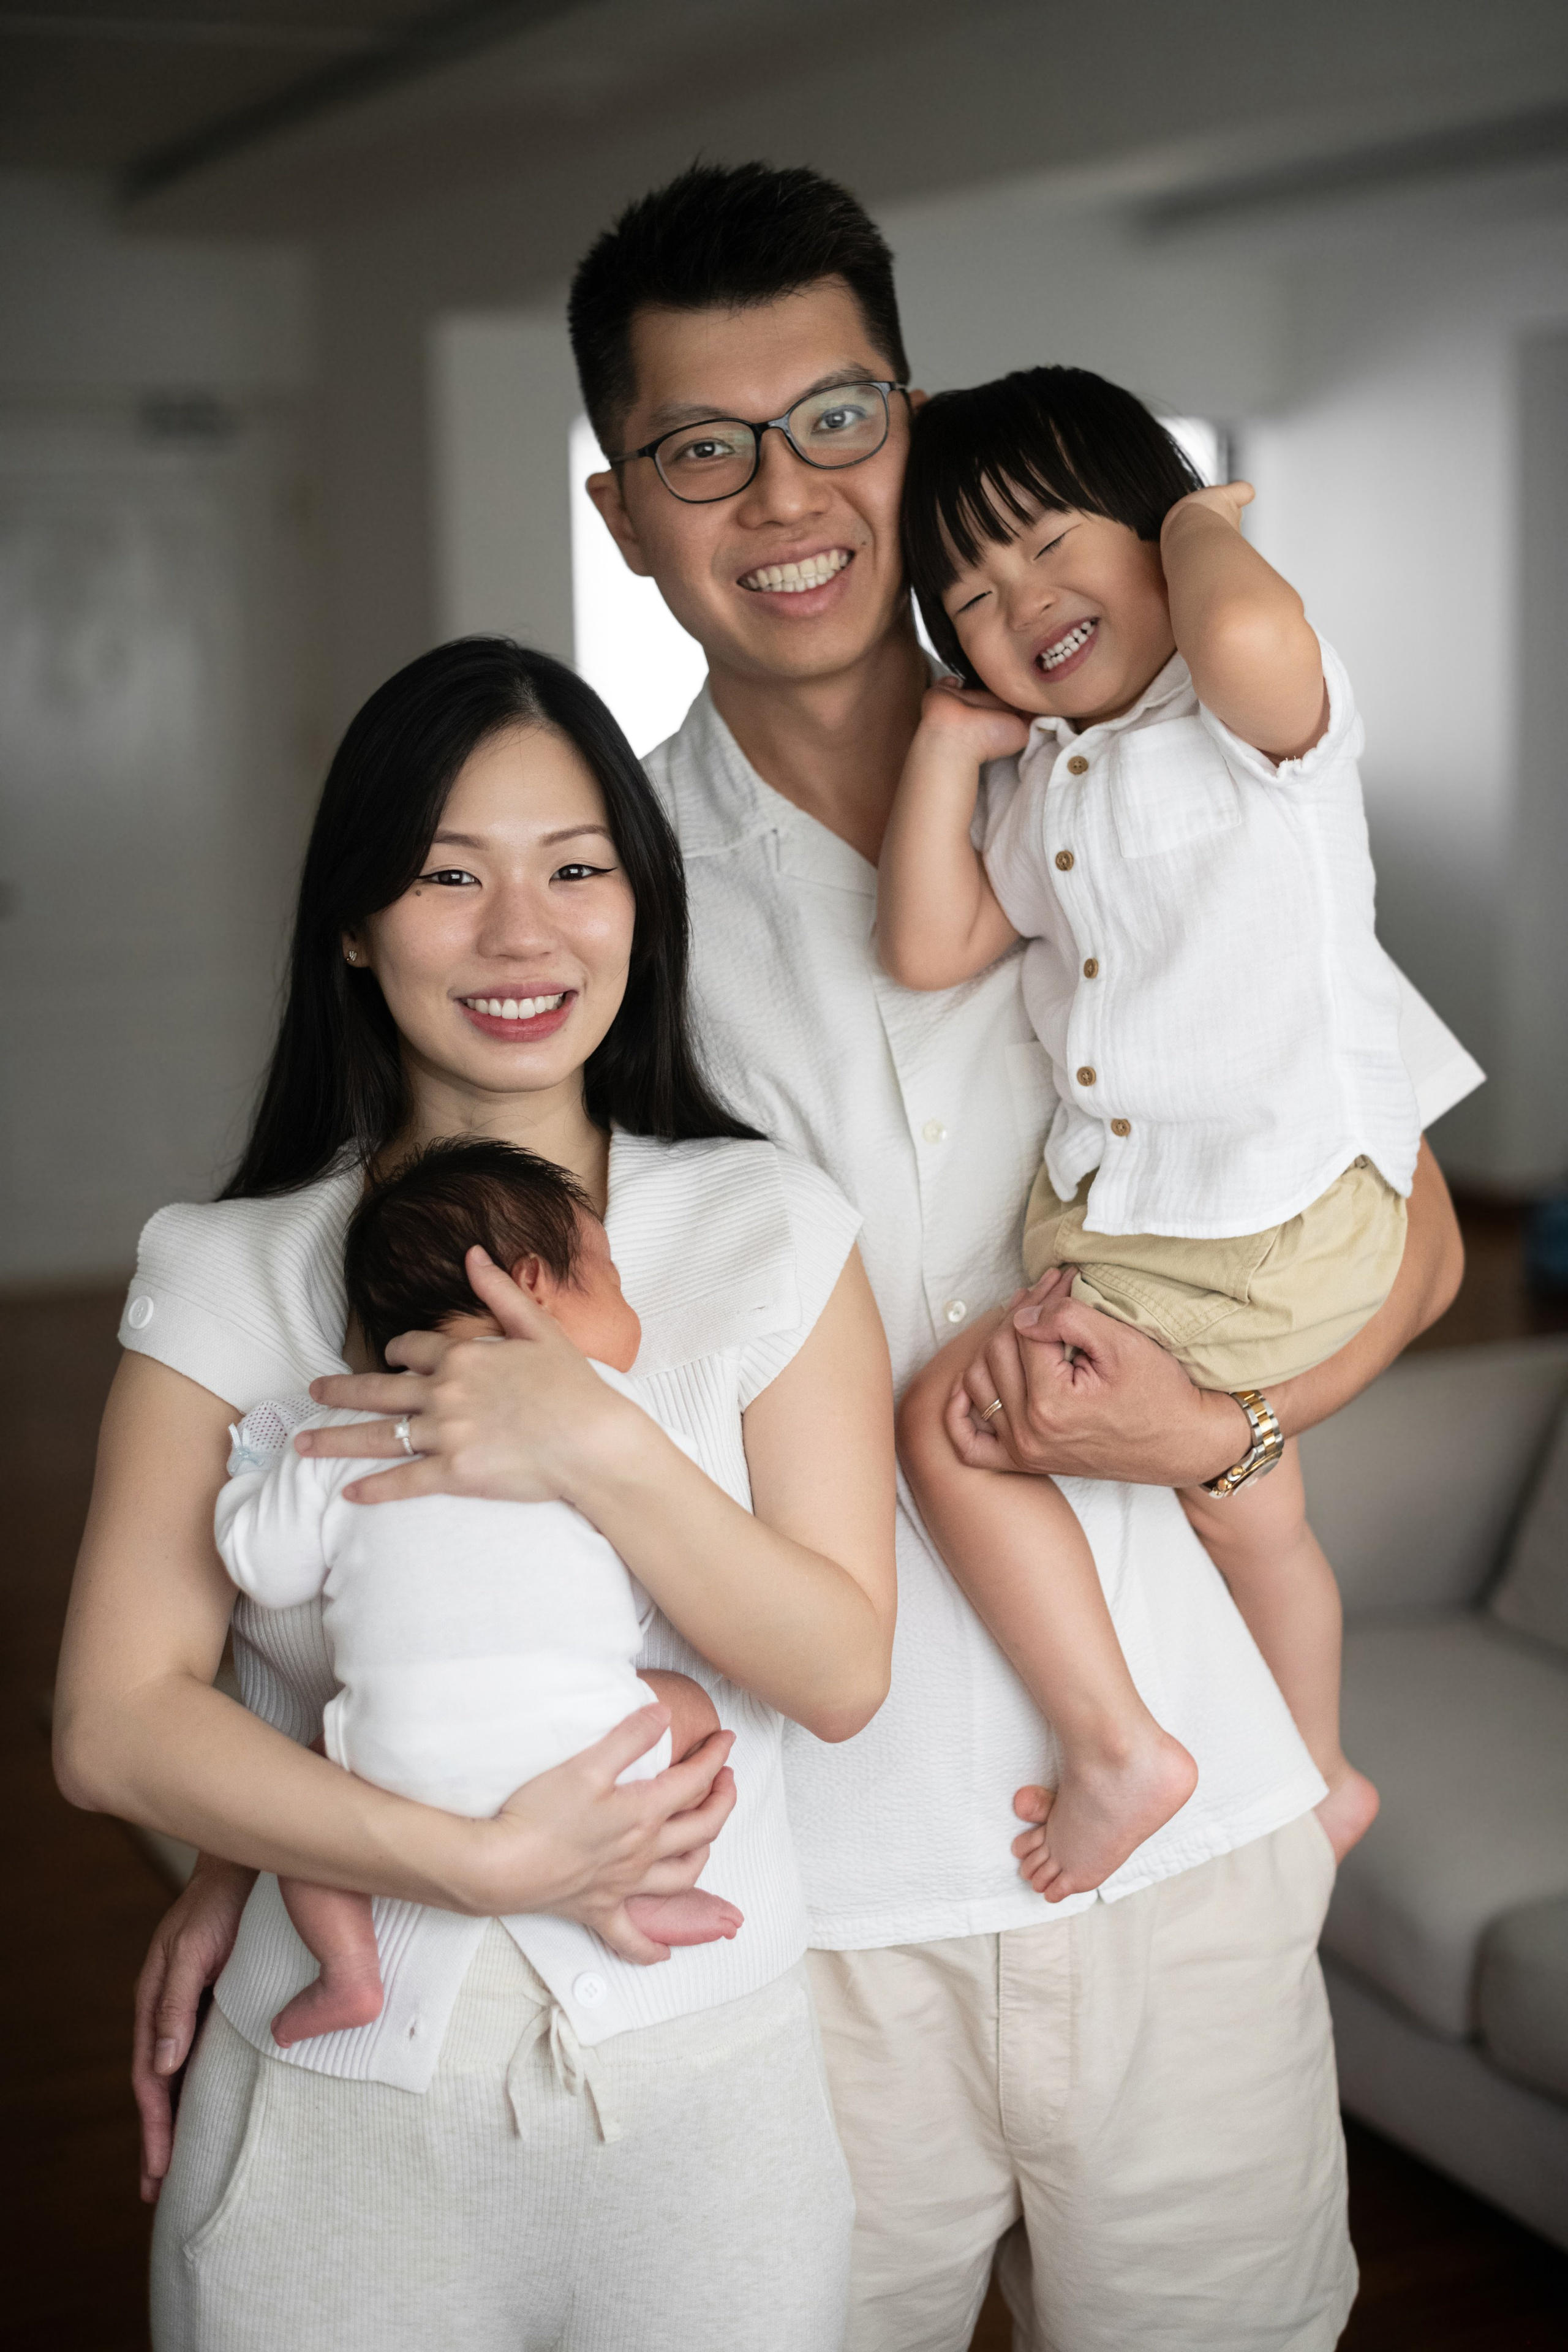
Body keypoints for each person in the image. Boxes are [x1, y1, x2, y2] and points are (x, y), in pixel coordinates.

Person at [129, 164, 1479, 2351]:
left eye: (837, 420)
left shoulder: (1168, 784)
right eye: (702, 449)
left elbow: (1407, 1246)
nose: (788, 496)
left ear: (910, 422)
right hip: (785, 1905)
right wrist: (284, 1834)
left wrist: (1221, 1429)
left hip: (1194, 1833)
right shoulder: (587, 908)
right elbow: (420, 1355)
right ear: (629, 505)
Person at [54, 636, 895, 2351]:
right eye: (450, 876)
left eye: (578, 869)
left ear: (642, 906)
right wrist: (477, 1862)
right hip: (331, 2124)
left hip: (703, 2111)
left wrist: (589, 1440)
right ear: (354, 921)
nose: (526, 935)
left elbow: (838, 1665)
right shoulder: (228, 1272)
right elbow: (114, 1725)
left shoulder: (763, 1229)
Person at [879, 363, 1404, 1900]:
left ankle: (1116, 1746)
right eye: (965, 596)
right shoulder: (1045, 780)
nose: (1017, 599)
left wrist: (1198, 522)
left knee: (948, 1427)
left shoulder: (1252, 726)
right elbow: (928, 944)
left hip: (1261, 1214)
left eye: (1049, 541)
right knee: (1247, 1508)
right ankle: (1323, 1772)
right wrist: (942, 751)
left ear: (1153, 527)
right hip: (1170, 1218)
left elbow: (1241, 624)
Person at [220, 1136, 744, 2052]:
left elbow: (261, 1569)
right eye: (613, 1280)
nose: (632, 1313)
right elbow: (683, 1547)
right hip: (591, 1753)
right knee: (692, 1707)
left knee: (296, 1789)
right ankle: (649, 1887)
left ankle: (347, 1971)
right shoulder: (611, 1414)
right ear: (534, 1283)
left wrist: (262, 1458)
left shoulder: (343, 1426)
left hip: (393, 1772)